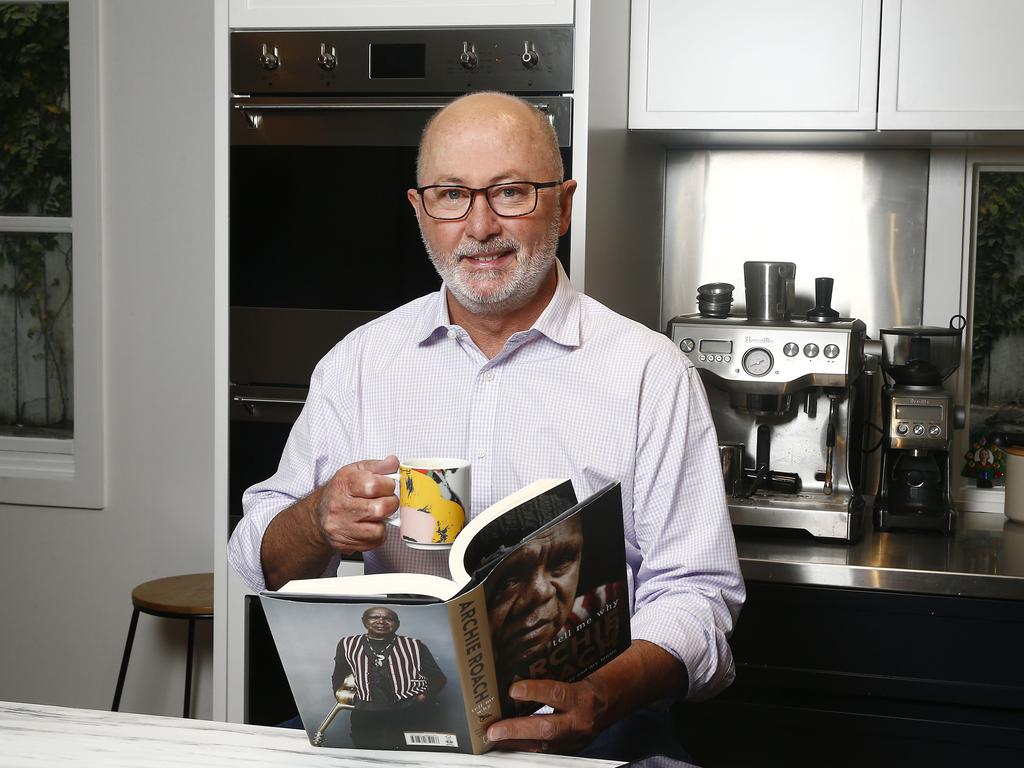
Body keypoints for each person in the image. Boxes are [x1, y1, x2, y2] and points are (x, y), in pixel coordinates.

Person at [228, 90, 744, 760]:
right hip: (398, 728)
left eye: (510, 193)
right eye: (451, 195)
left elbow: (696, 594)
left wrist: (601, 698)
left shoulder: (650, 373)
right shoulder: (359, 364)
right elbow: (258, 558)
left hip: (599, 726)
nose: (479, 227)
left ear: (561, 203)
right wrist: (317, 518)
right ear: (420, 211)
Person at [330, 606, 447, 749]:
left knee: (409, 754)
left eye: (388, 618)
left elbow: (438, 677)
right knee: (366, 752)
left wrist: (423, 696)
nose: (381, 621)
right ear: (364, 621)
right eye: (374, 617)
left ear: (397, 624)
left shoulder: (415, 645)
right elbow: (339, 675)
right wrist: (344, 696)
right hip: (366, 712)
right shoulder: (347, 644)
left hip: (408, 710)